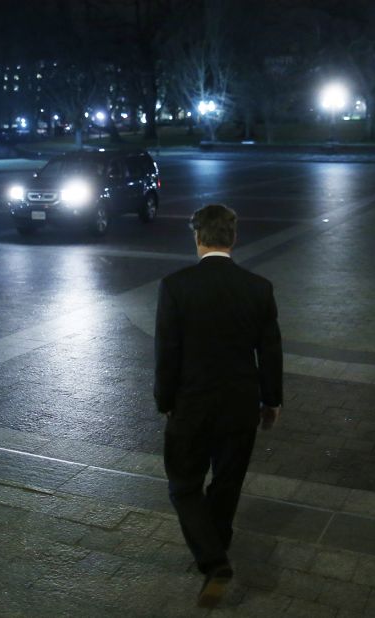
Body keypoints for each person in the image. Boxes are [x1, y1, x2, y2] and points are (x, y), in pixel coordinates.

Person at [154, 203, 283, 608]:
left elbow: (167, 352)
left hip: (191, 405)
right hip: (240, 404)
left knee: (184, 484)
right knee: (227, 482)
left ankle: (213, 559)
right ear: (234, 238)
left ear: (198, 237)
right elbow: (271, 351)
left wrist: (164, 399)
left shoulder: (176, 286)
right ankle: (217, 550)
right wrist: (271, 400)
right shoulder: (258, 287)